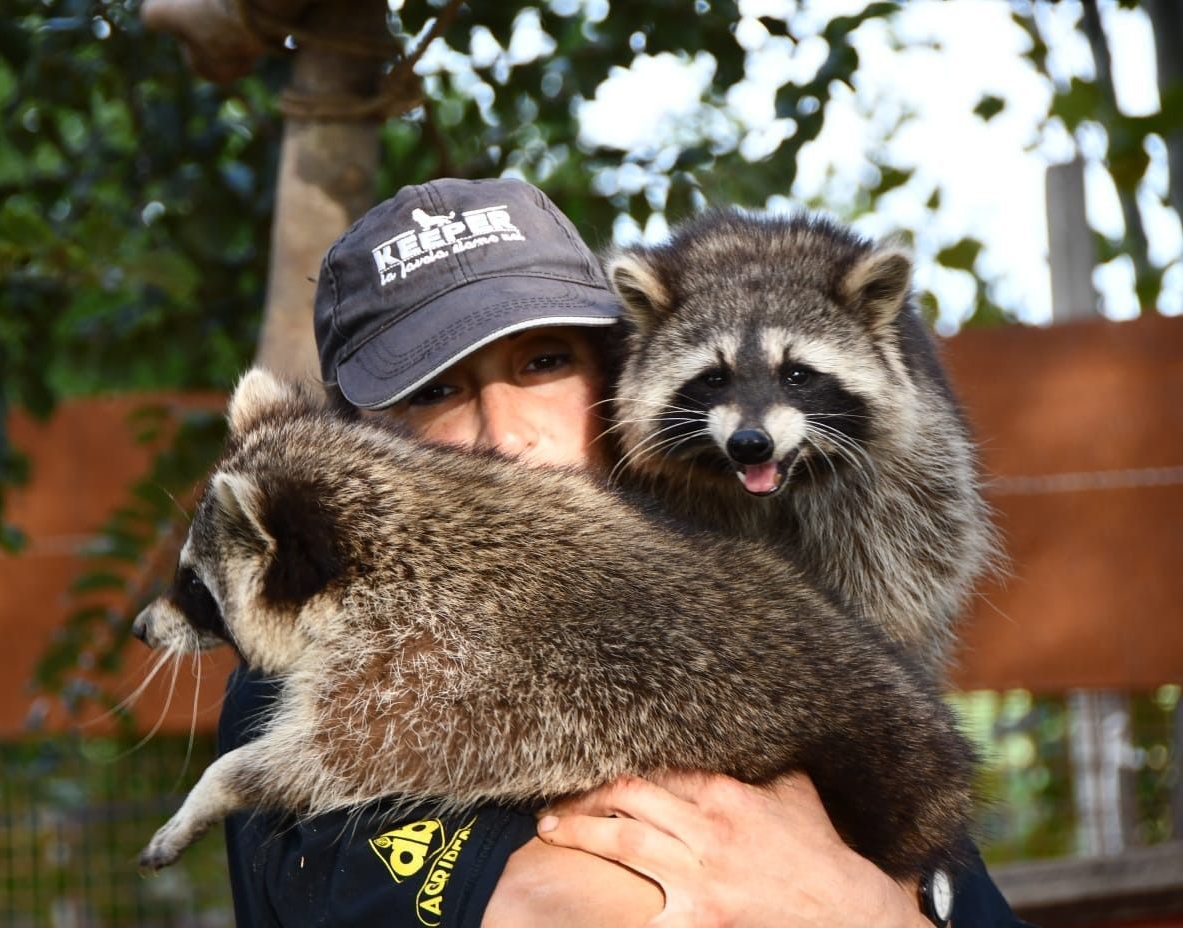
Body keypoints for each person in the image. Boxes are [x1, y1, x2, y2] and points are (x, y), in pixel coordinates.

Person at [218, 177, 1031, 927]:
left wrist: (876, 911)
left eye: (545, 363)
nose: (505, 437)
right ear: (358, 439)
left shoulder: (742, 612)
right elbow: (546, 905)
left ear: (613, 373)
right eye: (436, 392)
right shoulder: (312, 669)